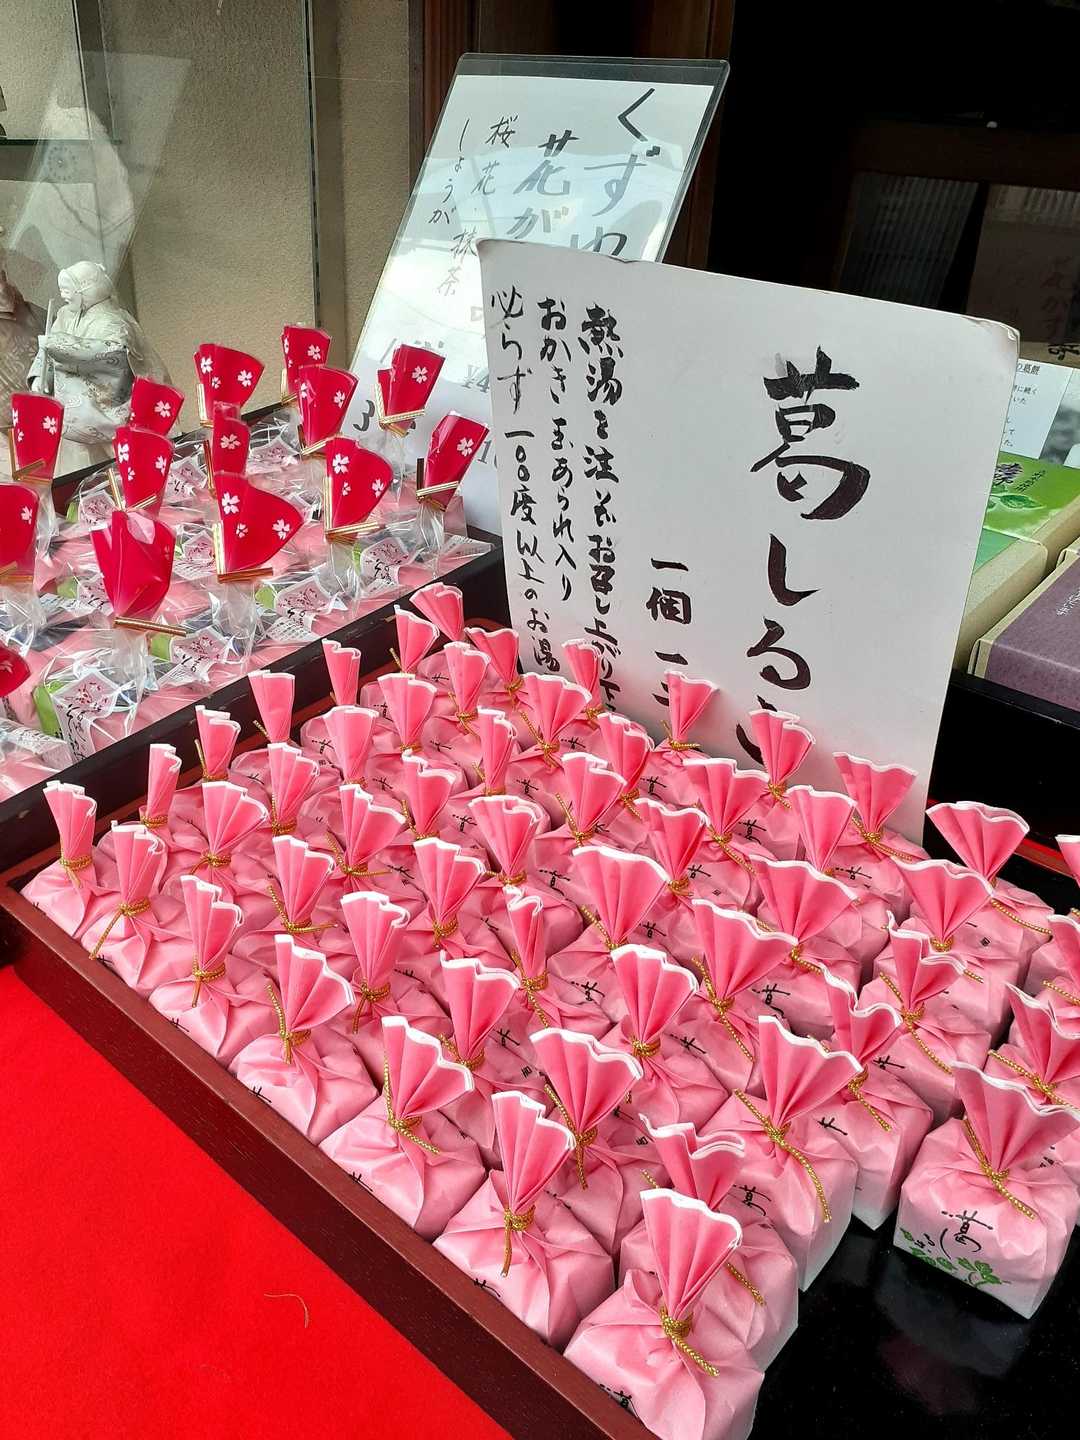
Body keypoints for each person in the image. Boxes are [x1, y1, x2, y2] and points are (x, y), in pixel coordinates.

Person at [27, 260, 169, 471]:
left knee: (122, 471)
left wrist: (60, 346)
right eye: (62, 290)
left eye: (68, 290)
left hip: (108, 411)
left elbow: (112, 356)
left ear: (86, 289)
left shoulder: (112, 320)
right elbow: (46, 353)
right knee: (77, 474)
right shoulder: (65, 315)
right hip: (73, 418)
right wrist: (41, 377)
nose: (63, 295)